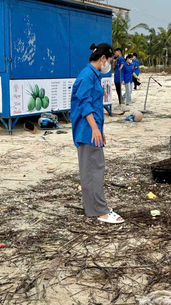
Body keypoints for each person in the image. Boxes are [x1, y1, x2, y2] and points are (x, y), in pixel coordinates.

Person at [71, 43, 124, 224]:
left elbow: (95, 106)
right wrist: (95, 129)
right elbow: (85, 106)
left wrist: (100, 130)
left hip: (92, 130)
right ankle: (100, 211)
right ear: (103, 59)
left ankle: (94, 208)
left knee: (92, 169)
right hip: (87, 131)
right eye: (109, 61)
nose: (109, 64)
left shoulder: (93, 75)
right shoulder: (87, 76)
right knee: (94, 169)